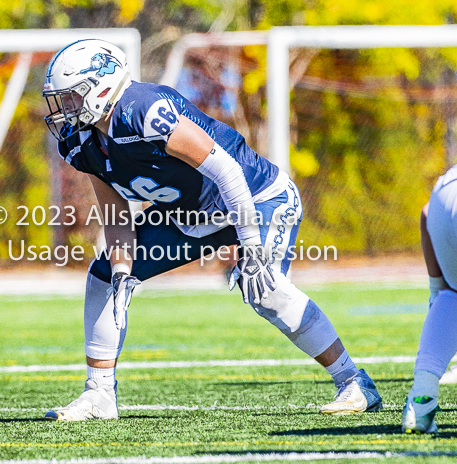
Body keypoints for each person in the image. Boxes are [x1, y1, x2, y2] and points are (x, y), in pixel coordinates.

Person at [41, 39, 382, 421]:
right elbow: (117, 215)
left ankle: (354, 382)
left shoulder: (144, 111)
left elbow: (226, 171)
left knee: (265, 289)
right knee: (105, 276)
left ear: (102, 87)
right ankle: (99, 394)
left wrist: (250, 246)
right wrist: (123, 272)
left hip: (256, 199)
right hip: (190, 216)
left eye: (71, 96)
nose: (64, 108)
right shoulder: (80, 143)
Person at [402, 164, 457, 433]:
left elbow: (425, 213)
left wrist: (438, 288)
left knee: (453, 295)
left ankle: (421, 402)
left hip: (444, 195)